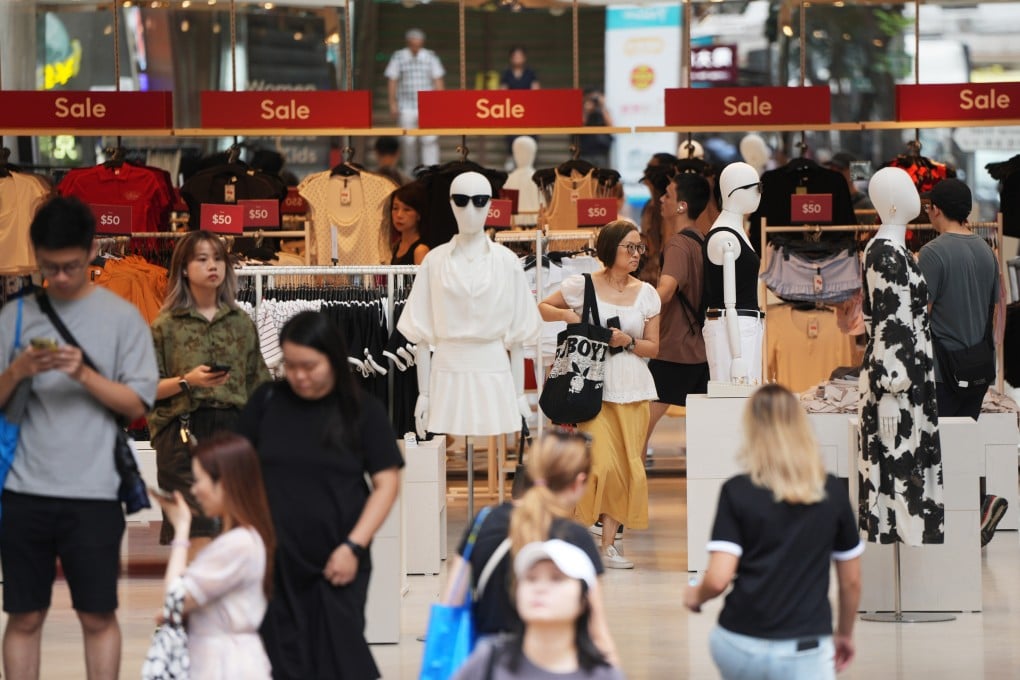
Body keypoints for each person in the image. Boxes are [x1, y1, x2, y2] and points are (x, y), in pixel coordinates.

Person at [0, 196, 158, 680]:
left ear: (92, 251)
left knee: (97, 614)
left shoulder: (122, 317)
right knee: (24, 615)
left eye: (70, 266)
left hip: (94, 493)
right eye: (49, 267)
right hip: (23, 491)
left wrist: (84, 374)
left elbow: (137, 406)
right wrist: (19, 370)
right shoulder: (15, 316)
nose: (61, 278)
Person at [237, 311, 403, 680]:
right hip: (273, 560)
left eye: (309, 365)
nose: (299, 375)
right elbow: (238, 473)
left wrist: (353, 547)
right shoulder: (266, 402)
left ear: (333, 357)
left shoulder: (362, 410)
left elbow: (387, 484)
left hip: (338, 559)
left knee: (339, 659)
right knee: (280, 660)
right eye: (290, 365)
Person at [685, 384, 863, 680]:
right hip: (805, 644)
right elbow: (852, 581)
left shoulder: (737, 491)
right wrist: (844, 633)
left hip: (741, 641)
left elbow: (717, 579)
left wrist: (695, 596)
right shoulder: (830, 490)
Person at [539, 220, 660, 568]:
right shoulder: (583, 284)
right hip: (594, 388)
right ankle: (576, 536)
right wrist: (569, 315)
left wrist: (630, 342)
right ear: (610, 249)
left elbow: (655, 347)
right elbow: (544, 307)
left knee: (627, 470)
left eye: (640, 247)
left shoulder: (647, 293)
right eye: (630, 247)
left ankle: (609, 546)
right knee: (598, 466)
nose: (637, 254)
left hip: (635, 388)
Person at [447, 429, 617, 663]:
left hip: (490, 664)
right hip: (553, 663)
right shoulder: (576, 539)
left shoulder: (484, 522)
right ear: (579, 482)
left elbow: (452, 601)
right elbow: (596, 632)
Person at [149, 230, 271, 550]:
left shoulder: (241, 322)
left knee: (237, 529)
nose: (212, 266)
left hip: (233, 433)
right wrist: (188, 381)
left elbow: (260, 386)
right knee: (192, 534)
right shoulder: (166, 325)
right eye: (202, 259)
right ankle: (191, 598)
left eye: (218, 259)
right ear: (184, 269)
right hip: (184, 432)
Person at [917, 178, 1005, 546]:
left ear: (935, 208)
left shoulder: (933, 253)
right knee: (961, 442)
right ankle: (967, 520)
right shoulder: (987, 251)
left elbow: (922, 310)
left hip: (942, 370)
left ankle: (977, 505)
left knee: (938, 451)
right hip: (978, 366)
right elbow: (995, 310)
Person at [151, 432, 276, 680]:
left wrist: (182, 529)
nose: (194, 491)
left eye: (199, 481)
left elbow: (174, 599)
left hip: (224, 666)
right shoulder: (247, 538)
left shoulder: (235, 545)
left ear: (225, 483)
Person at [453, 540, 624, 680]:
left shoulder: (604, 675)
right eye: (531, 578)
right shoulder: (488, 661)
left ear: (584, 600)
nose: (540, 588)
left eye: (557, 578)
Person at [643, 173, 712, 464]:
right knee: (707, 429)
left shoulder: (677, 245)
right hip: (699, 349)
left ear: (682, 205)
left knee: (640, 427)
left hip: (674, 349)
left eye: (668, 194)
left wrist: (637, 308)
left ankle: (628, 490)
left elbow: (667, 290)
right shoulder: (702, 241)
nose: (661, 199)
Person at [385, 28, 445, 173]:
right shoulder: (398, 56)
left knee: (430, 140)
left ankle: (431, 172)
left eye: (418, 39)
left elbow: (438, 79)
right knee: (408, 141)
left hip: (428, 105)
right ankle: (409, 173)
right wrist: (393, 103)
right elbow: (392, 79)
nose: (415, 42)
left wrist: (441, 103)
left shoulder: (430, 57)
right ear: (408, 41)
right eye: (413, 39)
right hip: (406, 106)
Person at [386, 181, 430, 265]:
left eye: (407, 209)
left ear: (419, 214)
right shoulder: (397, 246)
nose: (399, 215)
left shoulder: (420, 250)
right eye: (395, 208)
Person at [579, 88, 614, 170]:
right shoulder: (583, 111)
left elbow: (610, 125)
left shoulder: (602, 111)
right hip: (585, 151)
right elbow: (581, 123)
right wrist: (586, 109)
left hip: (601, 151)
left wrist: (602, 106)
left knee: (602, 176)